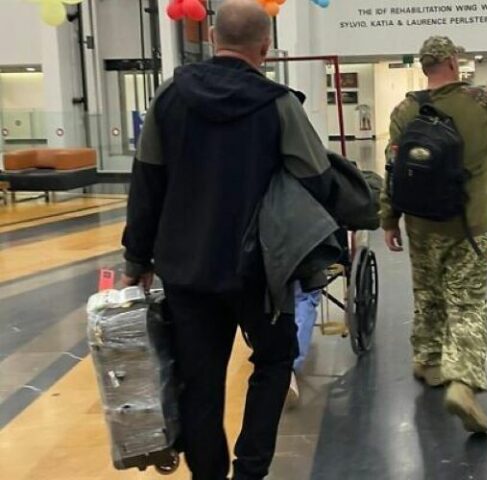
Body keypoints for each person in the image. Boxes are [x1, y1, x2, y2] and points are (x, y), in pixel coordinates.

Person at [121, 1, 334, 478]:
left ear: (213, 39)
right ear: (265, 47)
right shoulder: (278, 103)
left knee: (198, 381)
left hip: (185, 270)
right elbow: (317, 179)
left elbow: (147, 181)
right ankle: (251, 469)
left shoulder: (169, 96)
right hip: (259, 272)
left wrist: (137, 259)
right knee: (275, 360)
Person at [380, 36, 487, 434]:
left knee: (427, 292)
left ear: (424, 66)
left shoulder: (404, 110)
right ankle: (462, 382)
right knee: (467, 302)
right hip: (468, 223)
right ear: (451, 61)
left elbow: (393, 168)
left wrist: (388, 219)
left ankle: (428, 361)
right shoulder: (479, 103)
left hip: (420, 223)